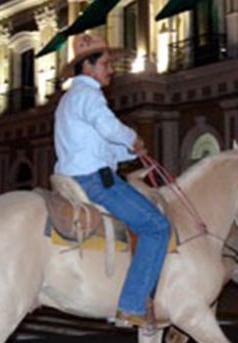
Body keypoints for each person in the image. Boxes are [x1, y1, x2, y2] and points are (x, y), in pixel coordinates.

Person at [54, 33, 170, 327]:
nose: (111, 69)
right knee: (157, 226)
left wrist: (129, 151)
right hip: (96, 181)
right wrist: (133, 138)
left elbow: (100, 145)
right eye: (106, 63)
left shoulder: (70, 99)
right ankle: (131, 305)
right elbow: (108, 127)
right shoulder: (90, 95)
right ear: (88, 67)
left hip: (76, 174)